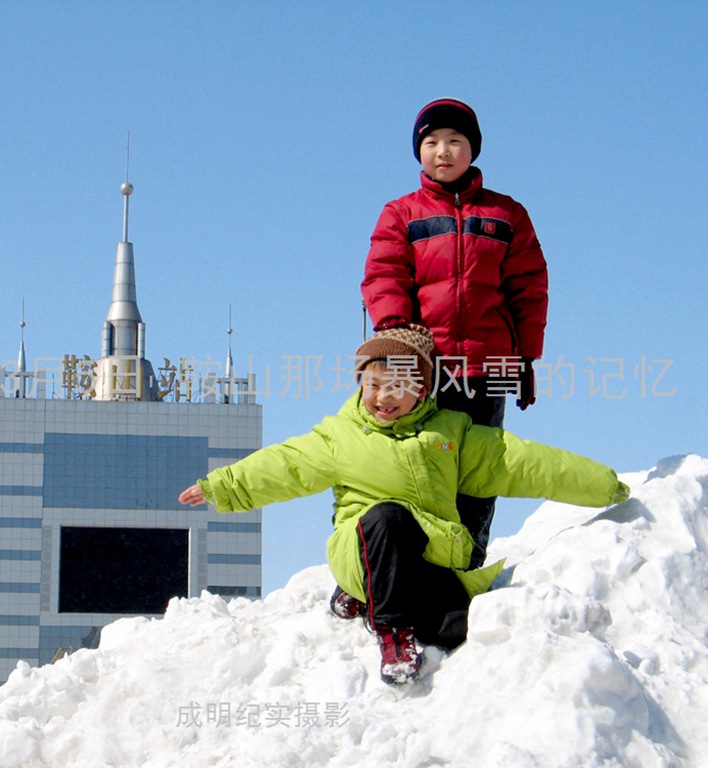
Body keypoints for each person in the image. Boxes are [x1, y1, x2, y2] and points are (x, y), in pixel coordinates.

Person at [178, 325, 628, 685]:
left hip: (429, 557)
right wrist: (221, 486)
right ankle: (391, 632)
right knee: (387, 519)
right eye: (374, 384)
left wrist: (604, 485)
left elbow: (524, 463)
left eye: (398, 386)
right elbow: (285, 465)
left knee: (455, 628)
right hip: (362, 547)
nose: (383, 397)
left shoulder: (452, 433)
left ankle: (381, 606)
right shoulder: (341, 435)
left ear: (423, 390)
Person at [361, 97, 549, 572]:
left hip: (488, 366)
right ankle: (390, 571)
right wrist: (394, 339)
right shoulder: (400, 214)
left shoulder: (507, 215)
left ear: (473, 150)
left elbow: (529, 289)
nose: (442, 151)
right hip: (424, 369)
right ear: (419, 152)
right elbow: (384, 277)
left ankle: (465, 569)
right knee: (413, 469)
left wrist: (525, 361)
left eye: (454, 142)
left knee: (478, 473)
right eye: (431, 142)